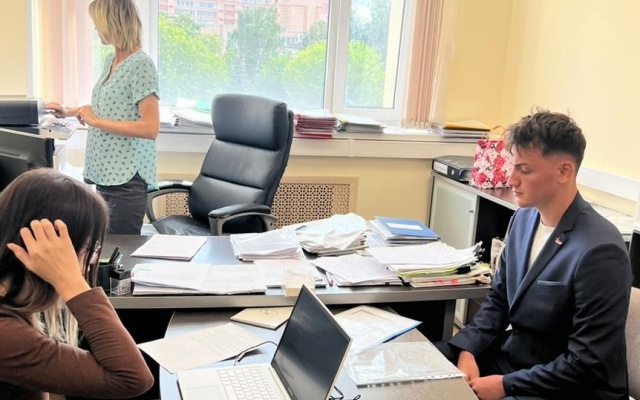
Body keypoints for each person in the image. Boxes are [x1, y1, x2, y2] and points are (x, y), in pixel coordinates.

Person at [437, 110, 632, 399]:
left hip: (569, 386)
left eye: (525, 170)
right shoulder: (524, 218)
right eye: (512, 166)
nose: (511, 179)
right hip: (518, 359)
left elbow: (586, 364)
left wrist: (505, 385)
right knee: (426, 367)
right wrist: (468, 350)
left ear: (564, 171)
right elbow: (499, 299)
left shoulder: (600, 251)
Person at [0, 168, 153, 399]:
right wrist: (70, 281)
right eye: (89, 248)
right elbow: (132, 379)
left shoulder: (14, 297)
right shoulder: (6, 334)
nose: (91, 260)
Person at [46, 0, 159, 235]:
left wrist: (95, 122)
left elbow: (150, 128)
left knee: (120, 249)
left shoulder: (141, 64)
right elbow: (108, 108)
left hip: (126, 179)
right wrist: (68, 111)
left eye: (99, 23)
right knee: (103, 246)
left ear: (113, 23)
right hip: (105, 172)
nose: (96, 29)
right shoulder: (111, 61)